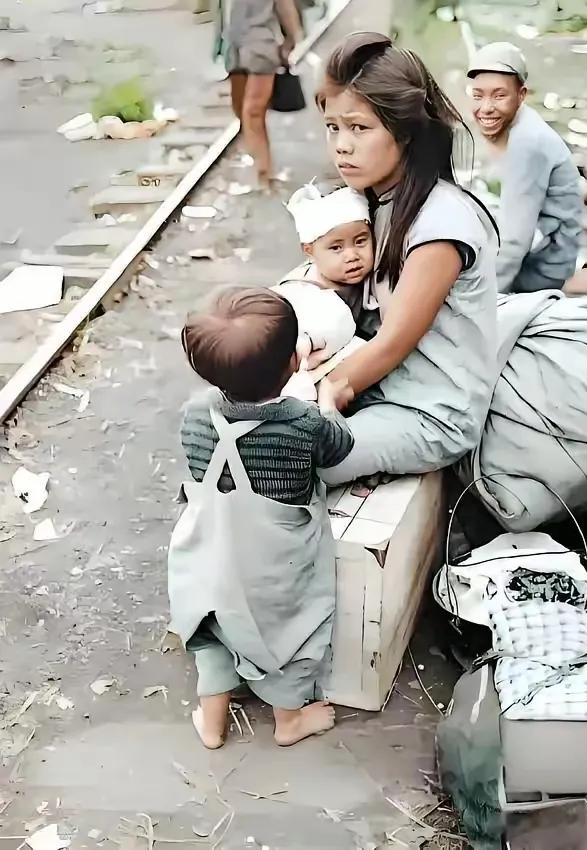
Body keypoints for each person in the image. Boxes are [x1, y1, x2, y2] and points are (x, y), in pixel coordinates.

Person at [170, 287, 354, 748]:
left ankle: (212, 725)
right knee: (289, 632)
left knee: (214, 631)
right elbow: (339, 448)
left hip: (208, 551)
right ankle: (290, 721)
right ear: (294, 361)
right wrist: (328, 403)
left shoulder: (194, 415)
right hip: (274, 559)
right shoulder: (302, 422)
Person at [314, 31, 499, 486]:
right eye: (333, 127)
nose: (342, 145)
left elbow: (394, 341)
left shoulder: (441, 223)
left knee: (289, 457)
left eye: (359, 128)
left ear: (406, 133)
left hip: (430, 412)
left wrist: (322, 392)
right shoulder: (373, 201)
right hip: (384, 389)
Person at [467, 42, 583, 294]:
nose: (485, 107)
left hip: (542, 268)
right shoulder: (518, 125)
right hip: (542, 247)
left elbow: (515, 241)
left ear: (521, 95)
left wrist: (487, 301)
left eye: (499, 95)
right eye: (478, 95)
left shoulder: (527, 142)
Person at [275, 181, 373, 374]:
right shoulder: (304, 298)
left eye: (360, 241)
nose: (352, 255)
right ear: (309, 251)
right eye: (336, 248)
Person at [225, 0, 303, 188]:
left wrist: (292, 38)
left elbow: (284, 4)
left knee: (253, 111)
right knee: (241, 109)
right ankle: (260, 166)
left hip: (260, 43)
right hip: (233, 43)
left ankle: (263, 174)